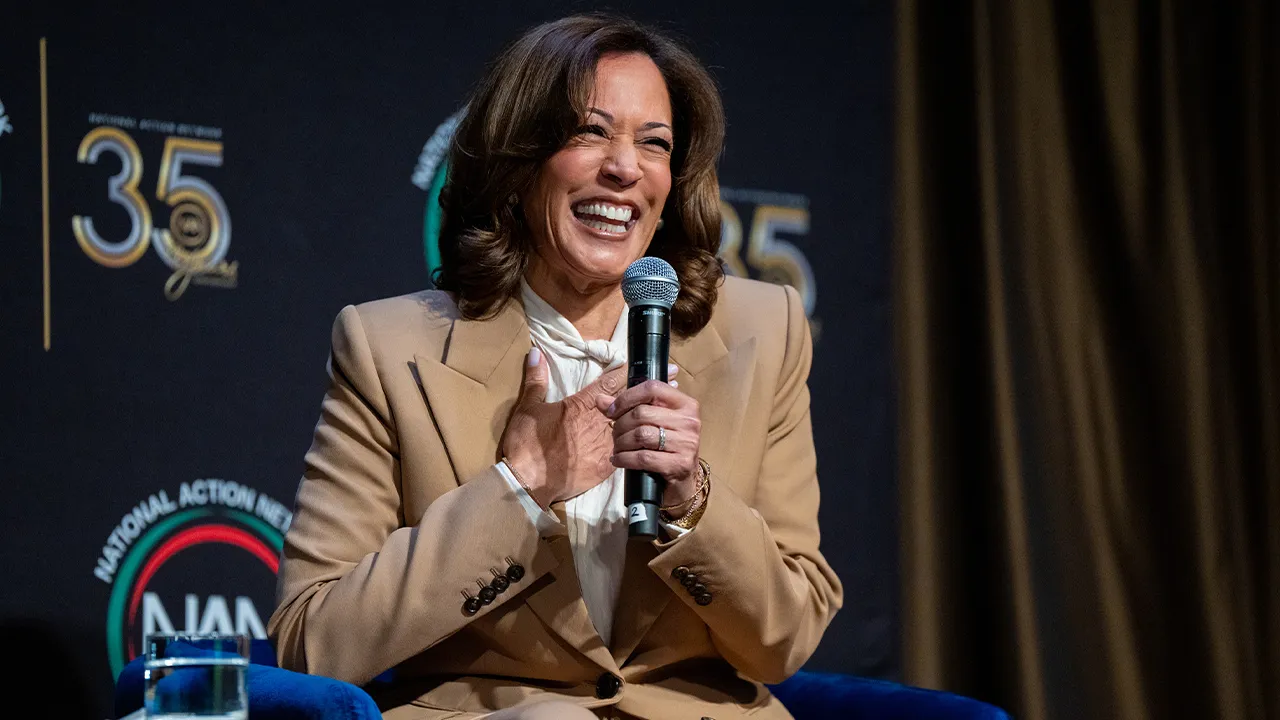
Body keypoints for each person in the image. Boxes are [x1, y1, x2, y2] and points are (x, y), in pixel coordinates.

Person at [267, 13, 842, 720]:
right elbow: (311, 642)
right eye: (590, 131)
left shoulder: (765, 330)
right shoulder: (390, 349)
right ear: (518, 164)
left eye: (654, 144)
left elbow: (786, 641)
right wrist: (520, 487)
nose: (625, 167)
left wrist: (693, 502)